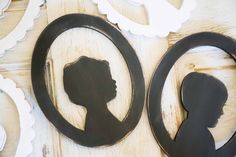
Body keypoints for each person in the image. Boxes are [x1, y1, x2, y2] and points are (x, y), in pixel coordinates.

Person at [63, 56, 123, 145]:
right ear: (94, 86)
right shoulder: (100, 122)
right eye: (108, 78)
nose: (113, 81)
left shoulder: (100, 119)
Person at [172, 72, 228, 157]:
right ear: (203, 105)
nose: (221, 112)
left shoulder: (191, 129)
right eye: (218, 106)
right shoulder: (199, 135)